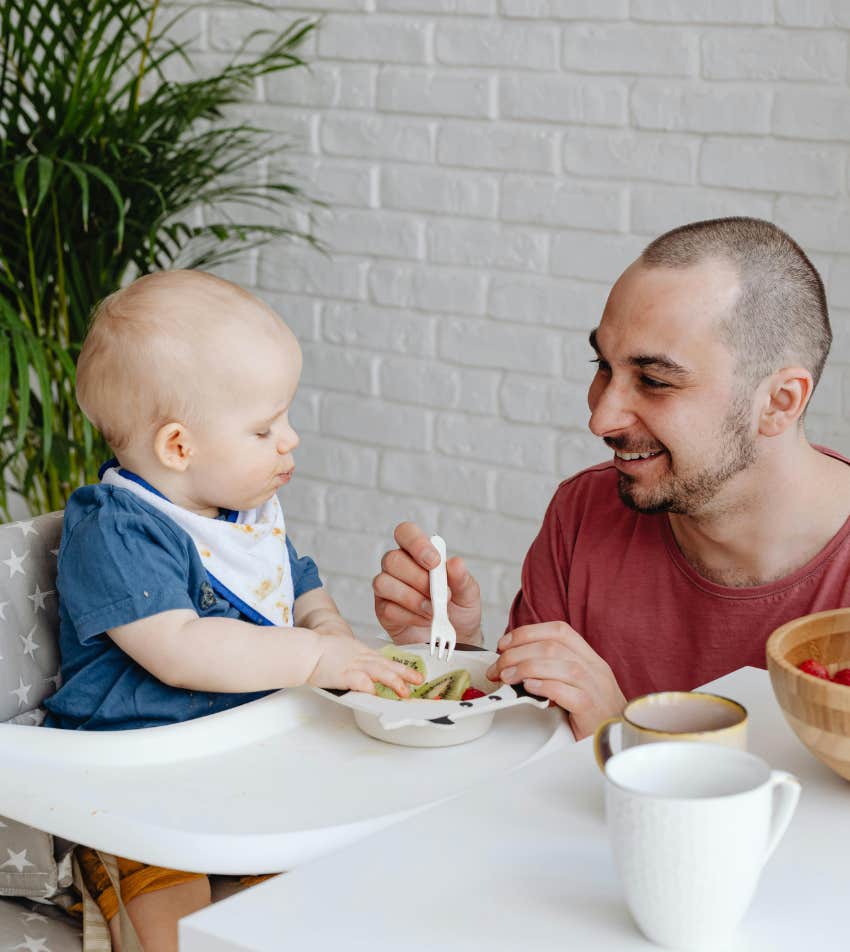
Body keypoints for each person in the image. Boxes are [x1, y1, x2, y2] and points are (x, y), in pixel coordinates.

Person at [44, 270, 421, 951]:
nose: (290, 439)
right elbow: (180, 646)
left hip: (242, 761)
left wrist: (332, 635)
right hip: (136, 776)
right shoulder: (118, 527)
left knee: (301, 899)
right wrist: (310, 657)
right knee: (173, 927)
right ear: (179, 447)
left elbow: (296, 584)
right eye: (264, 427)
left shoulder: (241, 515)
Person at [372, 217, 850, 741]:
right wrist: (457, 656)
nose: (601, 418)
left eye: (654, 381)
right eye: (602, 364)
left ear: (779, 403)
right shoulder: (585, 510)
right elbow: (530, 762)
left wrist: (622, 734)